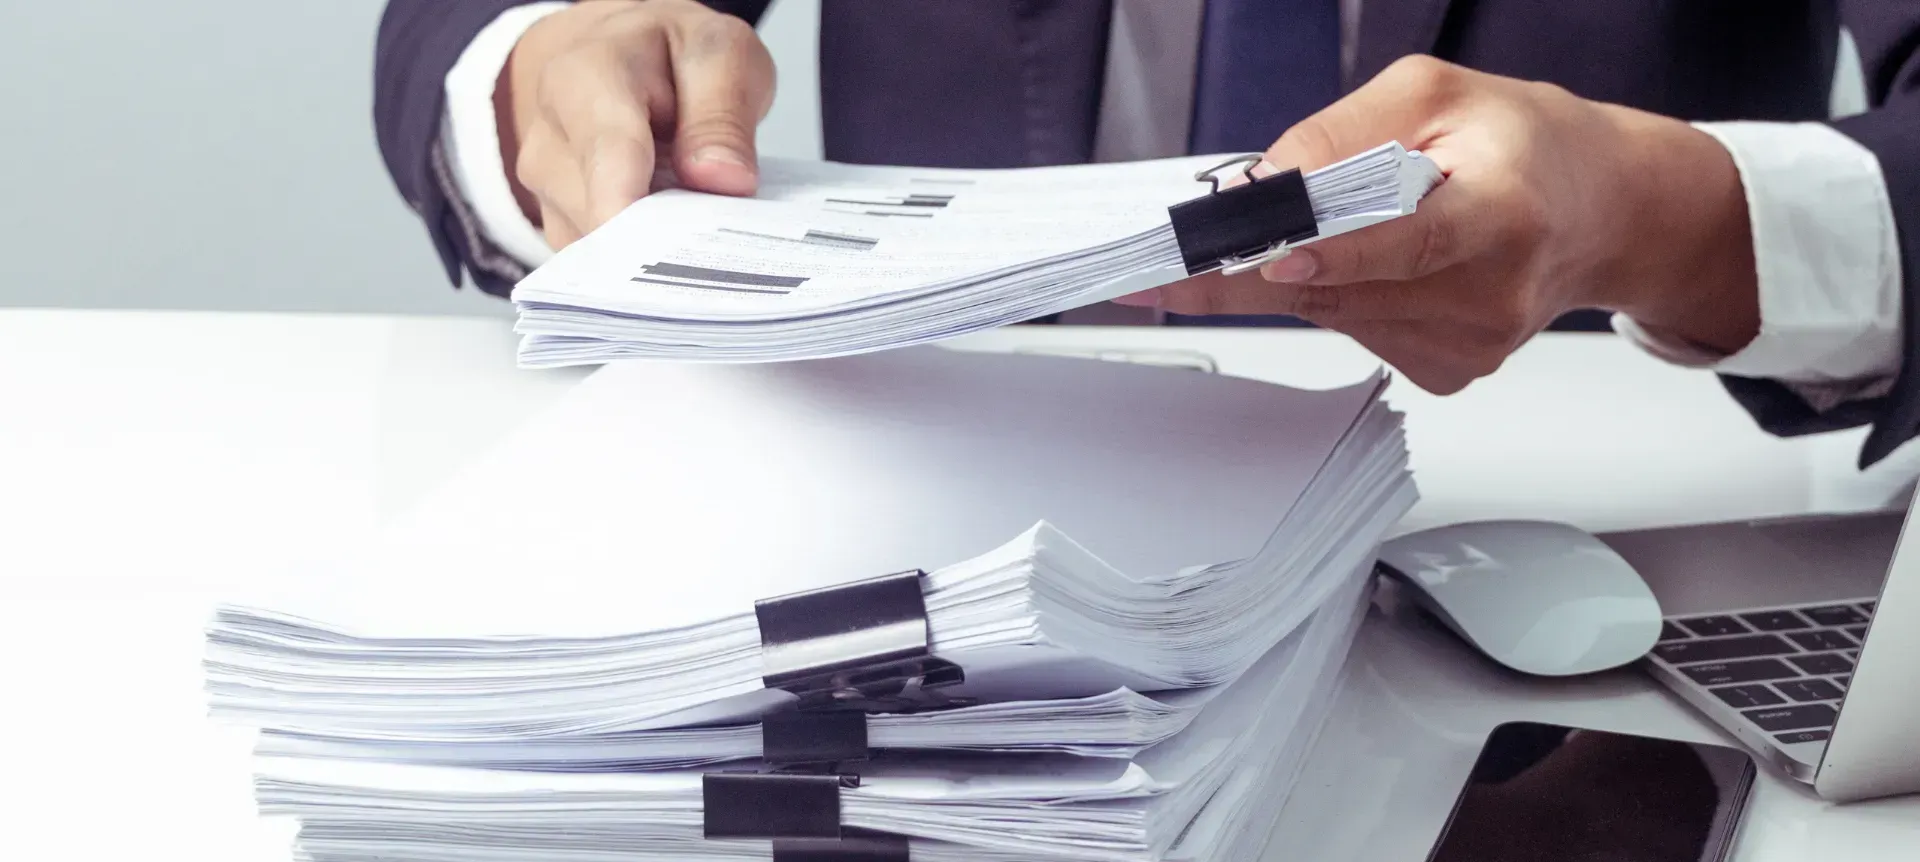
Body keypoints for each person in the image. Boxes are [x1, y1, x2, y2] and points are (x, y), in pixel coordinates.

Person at [374, 1, 1919, 463]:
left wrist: (1680, 219)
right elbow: (484, 23)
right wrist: (544, 73)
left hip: (1583, 564)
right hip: (914, 515)